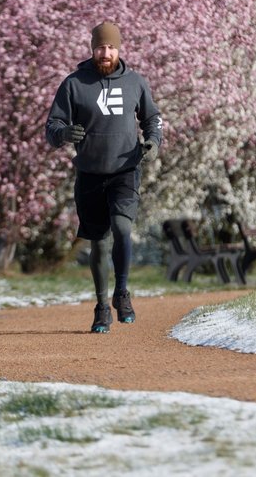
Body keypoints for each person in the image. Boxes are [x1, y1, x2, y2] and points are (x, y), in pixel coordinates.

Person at [45, 20, 163, 333]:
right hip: (90, 174)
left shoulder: (135, 82)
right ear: (92, 49)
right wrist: (64, 133)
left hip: (125, 170)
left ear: (119, 49)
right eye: (100, 47)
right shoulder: (74, 84)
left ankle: (121, 293)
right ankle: (101, 308)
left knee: (123, 228)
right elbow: (52, 126)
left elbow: (152, 119)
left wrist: (152, 141)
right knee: (98, 243)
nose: (105, 53)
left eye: (110, 47)